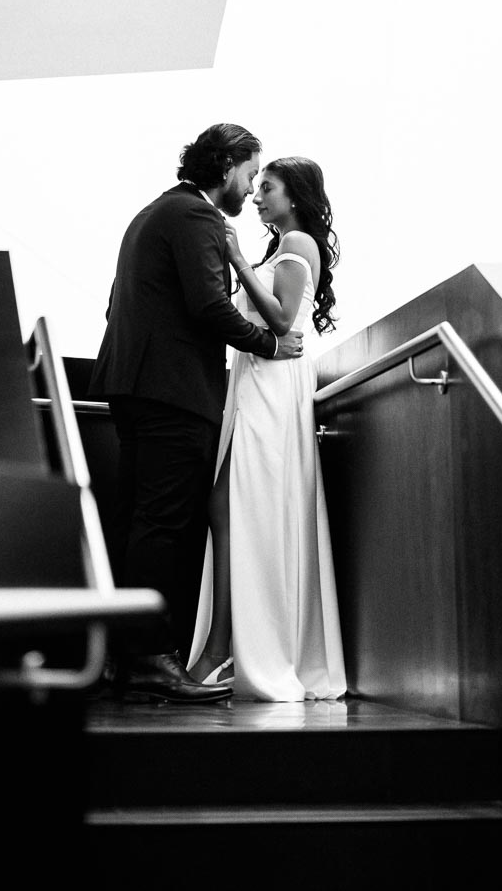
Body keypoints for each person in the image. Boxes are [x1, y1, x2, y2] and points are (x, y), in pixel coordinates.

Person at [89, 124, 306, 704]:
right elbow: (208, 304)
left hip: (134, 386)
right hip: (174, 392)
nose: (250, 188)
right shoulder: (197, 217)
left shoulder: (153, 214)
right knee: (167, 525)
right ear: (228, 165)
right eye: (250, 173)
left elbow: (115, 305)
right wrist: (269, 344)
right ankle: (152, 659)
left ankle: (122, 659)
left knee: (138, 522)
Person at [187, 156, 347, 701]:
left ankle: (226, 648)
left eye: (268, 187)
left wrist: (235, 257)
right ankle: (227, 644)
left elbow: (280, 319)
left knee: (232, 506)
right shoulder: (285, 246)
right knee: (232, 508)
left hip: (275, 386)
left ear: (294, 195)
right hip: (255, 382)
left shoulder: (297, 243)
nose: (256, 196)